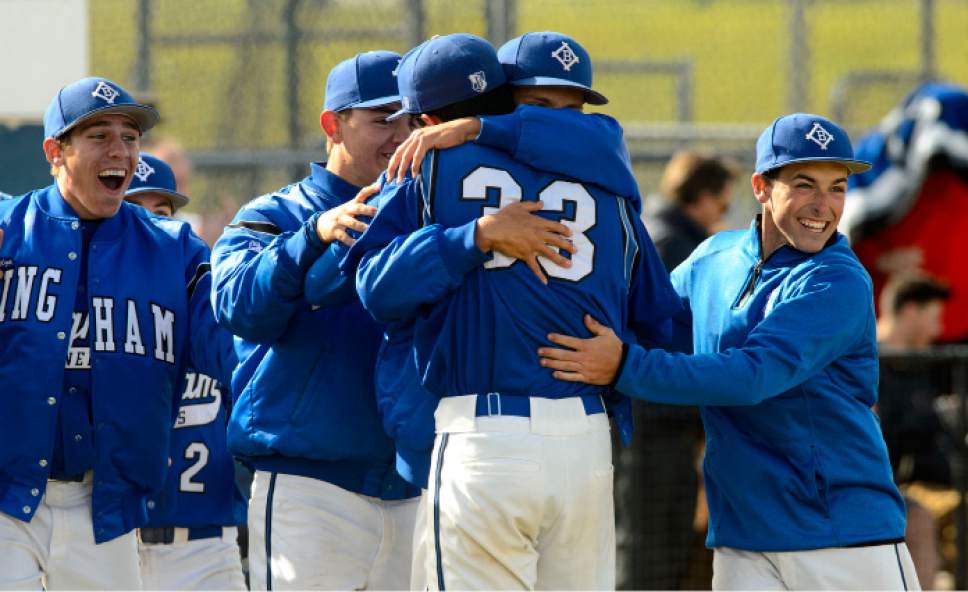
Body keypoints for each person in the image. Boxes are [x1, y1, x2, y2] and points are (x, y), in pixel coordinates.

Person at [338, 32, 679, 590]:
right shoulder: (611, 184)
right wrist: (623, 366)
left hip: (486, 438)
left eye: (572, 110)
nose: (564, 122)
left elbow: (377, 289)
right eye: (545, 107)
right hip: (587, 445)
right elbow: (664, 323)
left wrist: (470, 238)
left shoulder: (434, 162)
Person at [538, 113, 919, 590]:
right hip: (743, 537)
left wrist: (621, 365)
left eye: (837, 188)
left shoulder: (837, 280)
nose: (824, 206)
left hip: (841, 533)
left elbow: (752, 375)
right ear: (761, 187)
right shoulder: (714, 256)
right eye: (805, 185)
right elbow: (646, 325)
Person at [0, 77, 233, 589]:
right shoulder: (7, 228)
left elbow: (228, 348)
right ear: (54, 151)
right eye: (98, 135)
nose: (120, 151)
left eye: (129, 137)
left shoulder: (174, 249)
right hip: (7, 501)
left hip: (102, 509)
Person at [210, 51, 422, 590]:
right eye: (381, 119)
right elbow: (237, 307)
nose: (399, 135)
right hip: (310, 489)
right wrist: (311, 237)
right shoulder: (275, 214)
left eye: (410, 120)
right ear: (333, 125)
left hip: (414, 489)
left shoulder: (429, 213)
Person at [124, 154, 247, 590]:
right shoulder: (96, 323)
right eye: (134, 211)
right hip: (113, 545)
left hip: (206, 549)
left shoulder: (210, 311)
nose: (152, 226)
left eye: (162, 213)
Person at [617, 150, 737, 590]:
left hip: (652, 411)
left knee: (653, 543)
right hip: (656, 416)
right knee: (651, 546)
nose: (721, 216)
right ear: (701, 197)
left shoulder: (657, 234)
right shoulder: (675, 245)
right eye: (722, 205)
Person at [876, 274, 954, 589]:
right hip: (848, 488)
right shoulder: (862, 364)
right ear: (910, 311)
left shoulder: (919, 369)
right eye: (933, 317)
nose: (938, 330)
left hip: (901, 486)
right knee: (917, 519)